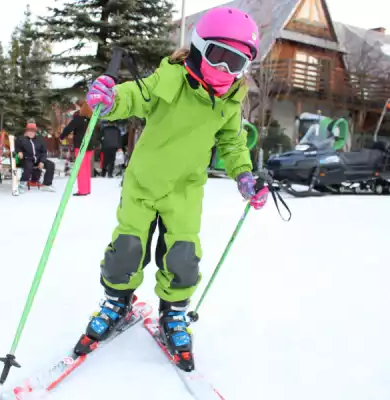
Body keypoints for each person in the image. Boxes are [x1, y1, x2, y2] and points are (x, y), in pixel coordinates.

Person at [73, 7, 269, 371]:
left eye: (237, 62)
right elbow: (135, 96)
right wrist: (111, 99)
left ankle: (173, 313)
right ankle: (117, 301)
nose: (226, 70)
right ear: (198, 48)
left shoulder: (229, 103)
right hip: (144, 183)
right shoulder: (171, 80)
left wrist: (244, 175)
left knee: (182, 255)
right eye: (219, 57)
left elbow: (233, 144)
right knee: (127, 248)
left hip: (185, 191)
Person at [59, 100, 93, 196]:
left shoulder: (78, 119)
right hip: (90, 146)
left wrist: (61, 137)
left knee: (81, 168)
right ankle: (87, 188)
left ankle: (82, 190)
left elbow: (69, 128)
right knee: (86, 167)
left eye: (78, 106)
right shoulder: (91, 119)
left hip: (81, 145)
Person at [16, 122, 55, 192]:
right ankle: (21, 185)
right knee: (29, 166)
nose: (31, 132)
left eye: (33, 131)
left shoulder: (40, 139)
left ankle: (47, 184)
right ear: (26, 131)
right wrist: (19, 152)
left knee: (50, 164)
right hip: (26, 159)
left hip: (38, 159)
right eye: (29, 131)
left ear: (35, 131)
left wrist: (42, 161)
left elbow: (44, 152)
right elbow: (16, 147)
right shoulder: (20, 139)